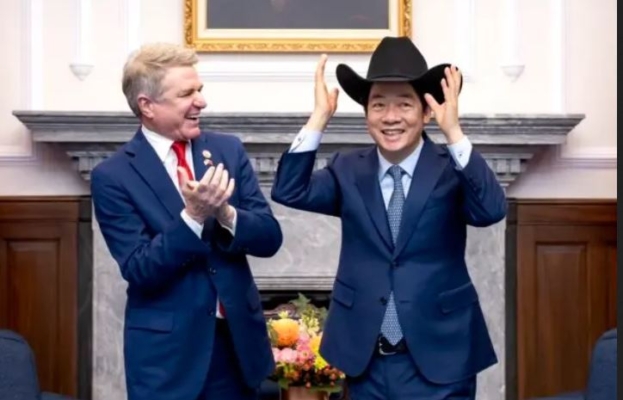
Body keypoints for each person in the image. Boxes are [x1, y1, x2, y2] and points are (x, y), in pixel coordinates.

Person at [271, 36, 507, 400]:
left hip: (441, 356)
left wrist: (454, 132)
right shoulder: (347, 169)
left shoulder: (451, 168)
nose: (391, 117)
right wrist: (319, 118)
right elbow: (289, 191)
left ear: (426, 111)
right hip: (366, 361)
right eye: (378, 104)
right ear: (367, 114)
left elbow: (491, 210)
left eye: (404, 104)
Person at [91, 43, 283, 400]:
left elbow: (270, 238)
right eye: (186, 94)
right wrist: (193, 216)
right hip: (168, 362)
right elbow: (139, 268)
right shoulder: (113, 176)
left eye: (200, 90)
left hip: (237, 351)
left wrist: (226, 214)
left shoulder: (227, 150)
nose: (201, 102)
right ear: (147, 106)